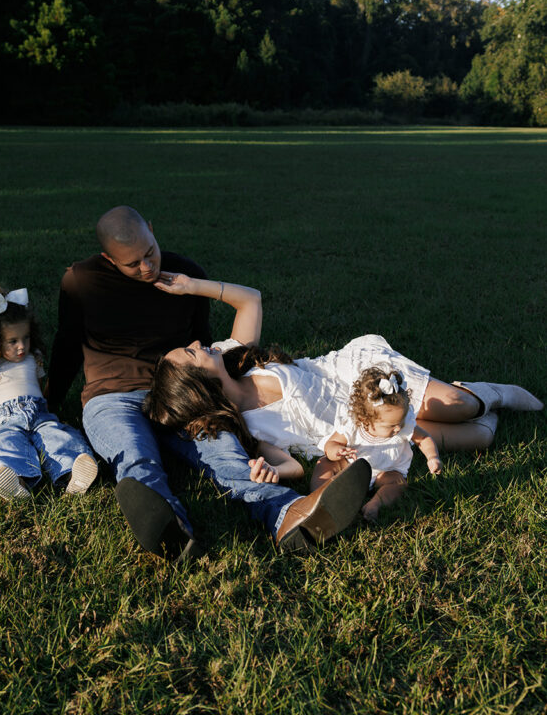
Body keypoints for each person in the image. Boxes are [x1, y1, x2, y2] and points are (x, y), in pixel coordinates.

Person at [47, 206, 372, 561]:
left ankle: (287, 514)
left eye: (150, 253)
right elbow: (66, 345)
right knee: (137, 460)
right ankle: (171, 529)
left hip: (182, 392)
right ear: (109, 258)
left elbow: (200, 344)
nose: (147, 267)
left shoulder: (186, 274)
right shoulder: (82, 280)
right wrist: (50, 401)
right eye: (132, 264)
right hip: (111, 396)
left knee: (228, 457)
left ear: (153, 230)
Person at [146, 277, 543, 505]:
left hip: (354, 378)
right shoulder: (251, 428)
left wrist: (191, 285)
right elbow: (294, 467)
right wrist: (269, 472)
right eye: (190, 354)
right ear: (199, 387)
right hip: (361, 431)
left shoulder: (235, 356)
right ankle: (472, 409)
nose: (198, 345)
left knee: (457, 406)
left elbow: (250, 300)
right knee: (480, 437)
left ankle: (486, 393)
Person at [0, 288, 98, 500]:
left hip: (39, 412)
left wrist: (48, 409)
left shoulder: (34, 357)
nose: (22, 346)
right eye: (13, 341)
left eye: (26, 338)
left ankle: (73, 473)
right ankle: (16, 480)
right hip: (5, 419)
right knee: (4, 443)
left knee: (57, 437)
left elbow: (38, 387)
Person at [317, 365, 443, 523]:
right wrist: (337, 450)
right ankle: (319, 498)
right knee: (324, 463)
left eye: (400, 422)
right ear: (365, 420)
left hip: (386, 472)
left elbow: (423, 438)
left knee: (398, 483)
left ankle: (374, 504)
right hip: (351, 467)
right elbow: (332, 443)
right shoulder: (353, 425)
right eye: (391, 425)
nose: (398, 428)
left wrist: (433, 457)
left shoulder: (403, 426)